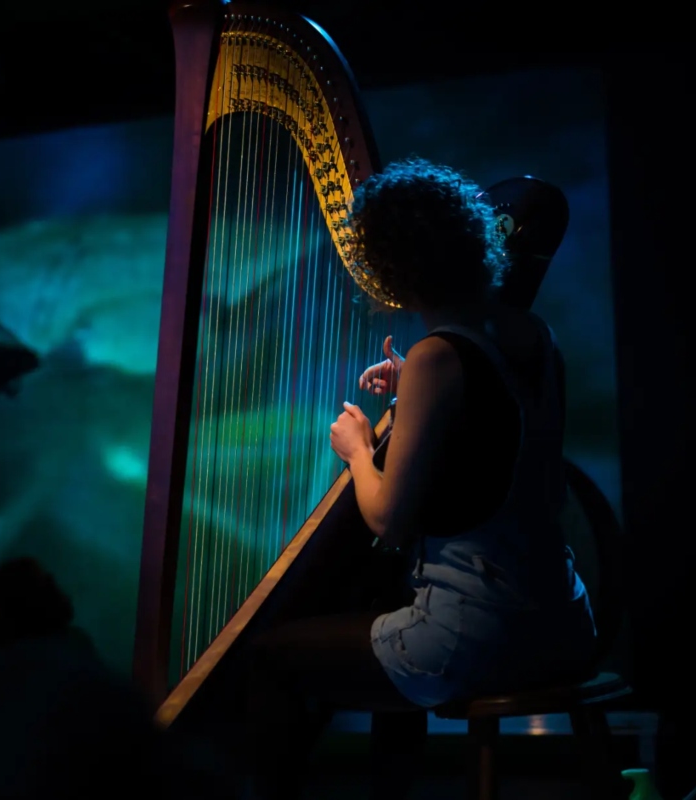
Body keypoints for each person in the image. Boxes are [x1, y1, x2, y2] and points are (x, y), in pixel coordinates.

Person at [242, 158, 597, 800]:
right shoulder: (531, 335)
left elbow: (387, 519)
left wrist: (356, 451)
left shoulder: (440, 355)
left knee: (266, 660)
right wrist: (421, 391)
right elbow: (519, 452)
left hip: (488, 634)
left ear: (391, 265)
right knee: (380, 616)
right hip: (566, 623)